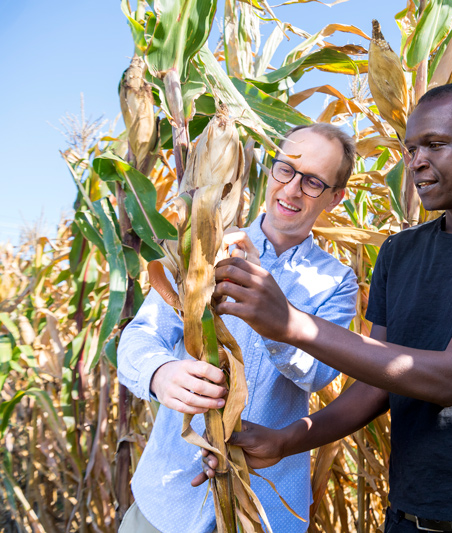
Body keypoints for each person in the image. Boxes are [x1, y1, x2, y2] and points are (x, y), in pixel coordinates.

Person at [202, 83, 452, 532]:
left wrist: (291, 325)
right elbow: (376, 387)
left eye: (435, 144)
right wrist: (287, 440)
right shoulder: (399, 252)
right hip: (409, 516)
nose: (417, 161)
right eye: (411, 148)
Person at [116, 122, 359, 533]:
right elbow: (141, 336)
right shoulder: (207, 245)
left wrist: (274, 318)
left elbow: (317, 374)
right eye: (285, 169)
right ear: (270, 170)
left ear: (335, 198)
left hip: (265, 507)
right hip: (167, 502)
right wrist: (161, 373)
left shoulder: (336, 281)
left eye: (314, 182)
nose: (293, 189)